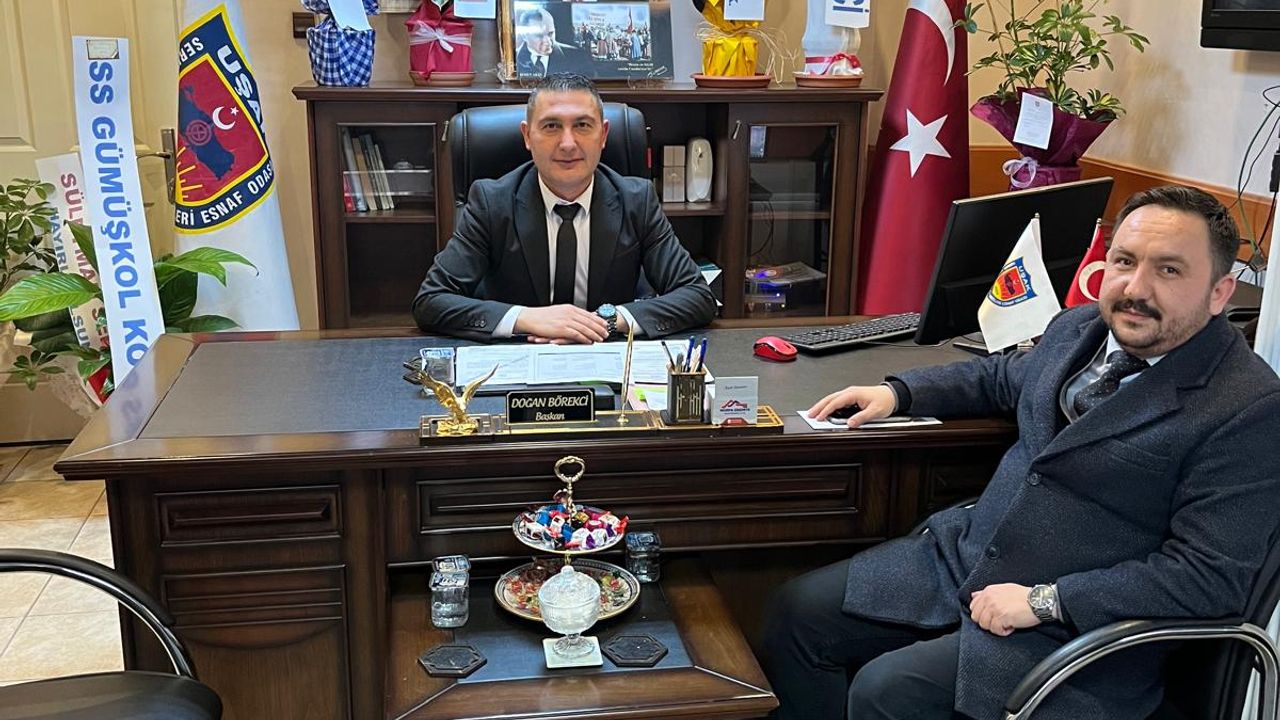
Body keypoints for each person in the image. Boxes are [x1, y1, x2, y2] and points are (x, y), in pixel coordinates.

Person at [763, 185, 1280, 720]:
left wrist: (1048, 600)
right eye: (1124, 261)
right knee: (794, 615)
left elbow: (1206, 577)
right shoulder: (1079, 329)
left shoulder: (1246, 406)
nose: (1135, 287)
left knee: (888, 690)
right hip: (966, 561)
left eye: (1169, 270)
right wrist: (900, 393)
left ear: (1219, 292)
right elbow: (1000, 377)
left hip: (1071, 629)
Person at [412, 73, 716, 343]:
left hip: (605, 355)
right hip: (519, 357)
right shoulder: (491, 202)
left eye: (582, 125)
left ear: (603, 135)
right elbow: (431, 300)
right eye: (551, 126)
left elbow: (697, 296)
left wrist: (606, 321)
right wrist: (527, 318)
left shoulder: (637, 200)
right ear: (527, 136)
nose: (568, 143)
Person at [514, 8, 588, 78]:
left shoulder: (579, 57)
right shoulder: (513, 59)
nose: (547, 41)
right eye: (539, 36)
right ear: (524, 36)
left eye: (550, 34)